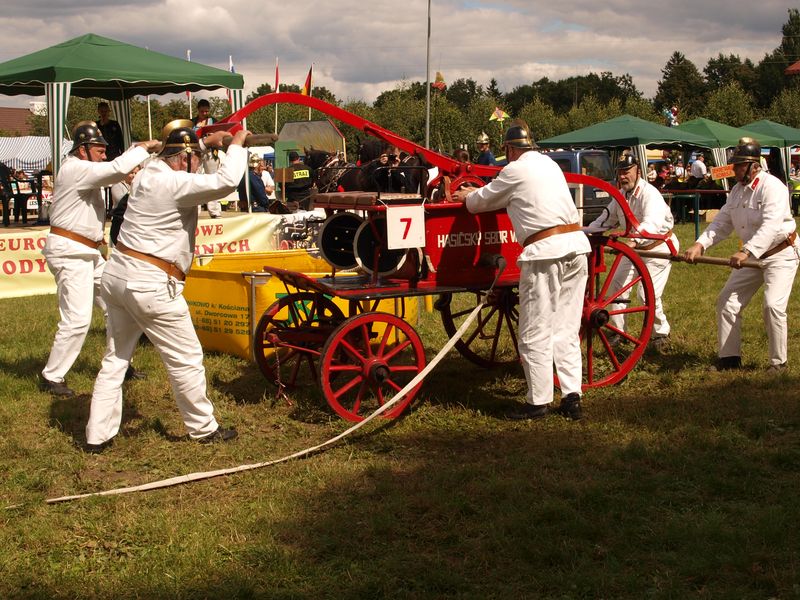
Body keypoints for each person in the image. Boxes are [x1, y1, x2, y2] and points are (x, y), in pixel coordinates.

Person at [85, 120, 249, 451]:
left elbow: (179, 156)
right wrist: (237, 144)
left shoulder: (149, 171)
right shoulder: (176, 182)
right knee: (185, 357)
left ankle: (96, 435)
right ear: (184, 158)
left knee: (115, 359)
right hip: (151, 283)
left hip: (118, 275)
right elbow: (227, 182)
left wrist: (207, 143)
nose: (198, 166)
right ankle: (203, 428)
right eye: (196, 159)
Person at [452, 122, 591, 421]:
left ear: (509, 149)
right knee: (566, 329)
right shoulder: (549, 165)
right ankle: (571, 397)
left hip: (545, 253)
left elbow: (478, 204)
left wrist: (466, 195)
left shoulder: (514, 170)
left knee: (533, 331)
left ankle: (538, 402)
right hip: (577, 247)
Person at [40, 122, 158, 397]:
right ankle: (51, 376)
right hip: (71, 254)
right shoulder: (75, 168)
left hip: (86, 253)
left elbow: (115, 172)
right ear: (83, 150)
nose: (104, 155)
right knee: (77, 319)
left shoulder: (82, 168)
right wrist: (141, 148)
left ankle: (120, 364)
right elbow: (116, 169)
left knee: (118, 307)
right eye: (100, 150)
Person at [683, 137, 799, 373]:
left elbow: (771, 226)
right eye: (734, 164)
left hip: (781, 253)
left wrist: (746, 251)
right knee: (727, 301)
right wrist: (700, 245)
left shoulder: (772, 187)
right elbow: (722, 223)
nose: (734, 169)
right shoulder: (736, 191)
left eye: (738, 165)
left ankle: (779, 363)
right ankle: (729, 358)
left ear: (753, 166)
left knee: (772, 305)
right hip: (752, 255)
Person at [586, 155, 678, 350]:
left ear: (638, 172)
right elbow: (605, 219)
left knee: (647, 295)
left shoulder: (650, 194)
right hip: (633, 249)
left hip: (657, 248)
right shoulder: (620, 196)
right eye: (620, 172)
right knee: (616, 287)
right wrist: (585, 232)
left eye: (627, 171)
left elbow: (651, 223)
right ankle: (619, 332)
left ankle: (661, 334)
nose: (623, 176)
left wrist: (634, 240)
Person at [109, 166, 140, 246]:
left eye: (136, 173)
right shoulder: (117, 185)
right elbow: (121, 200)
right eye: (132, 173)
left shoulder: (138, 186)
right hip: (119, 222)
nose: (134, 175)